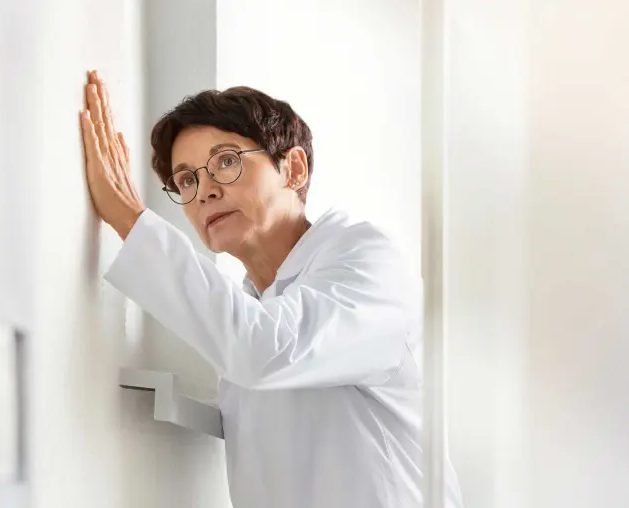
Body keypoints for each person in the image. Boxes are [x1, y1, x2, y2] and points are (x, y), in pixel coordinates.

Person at [79, 70, 463, 508]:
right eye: (186, 180)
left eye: (226, 160)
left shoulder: (368, 262)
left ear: (293, 169)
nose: (204, 190)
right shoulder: (251, 310)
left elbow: (268, 347)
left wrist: (129, 219)